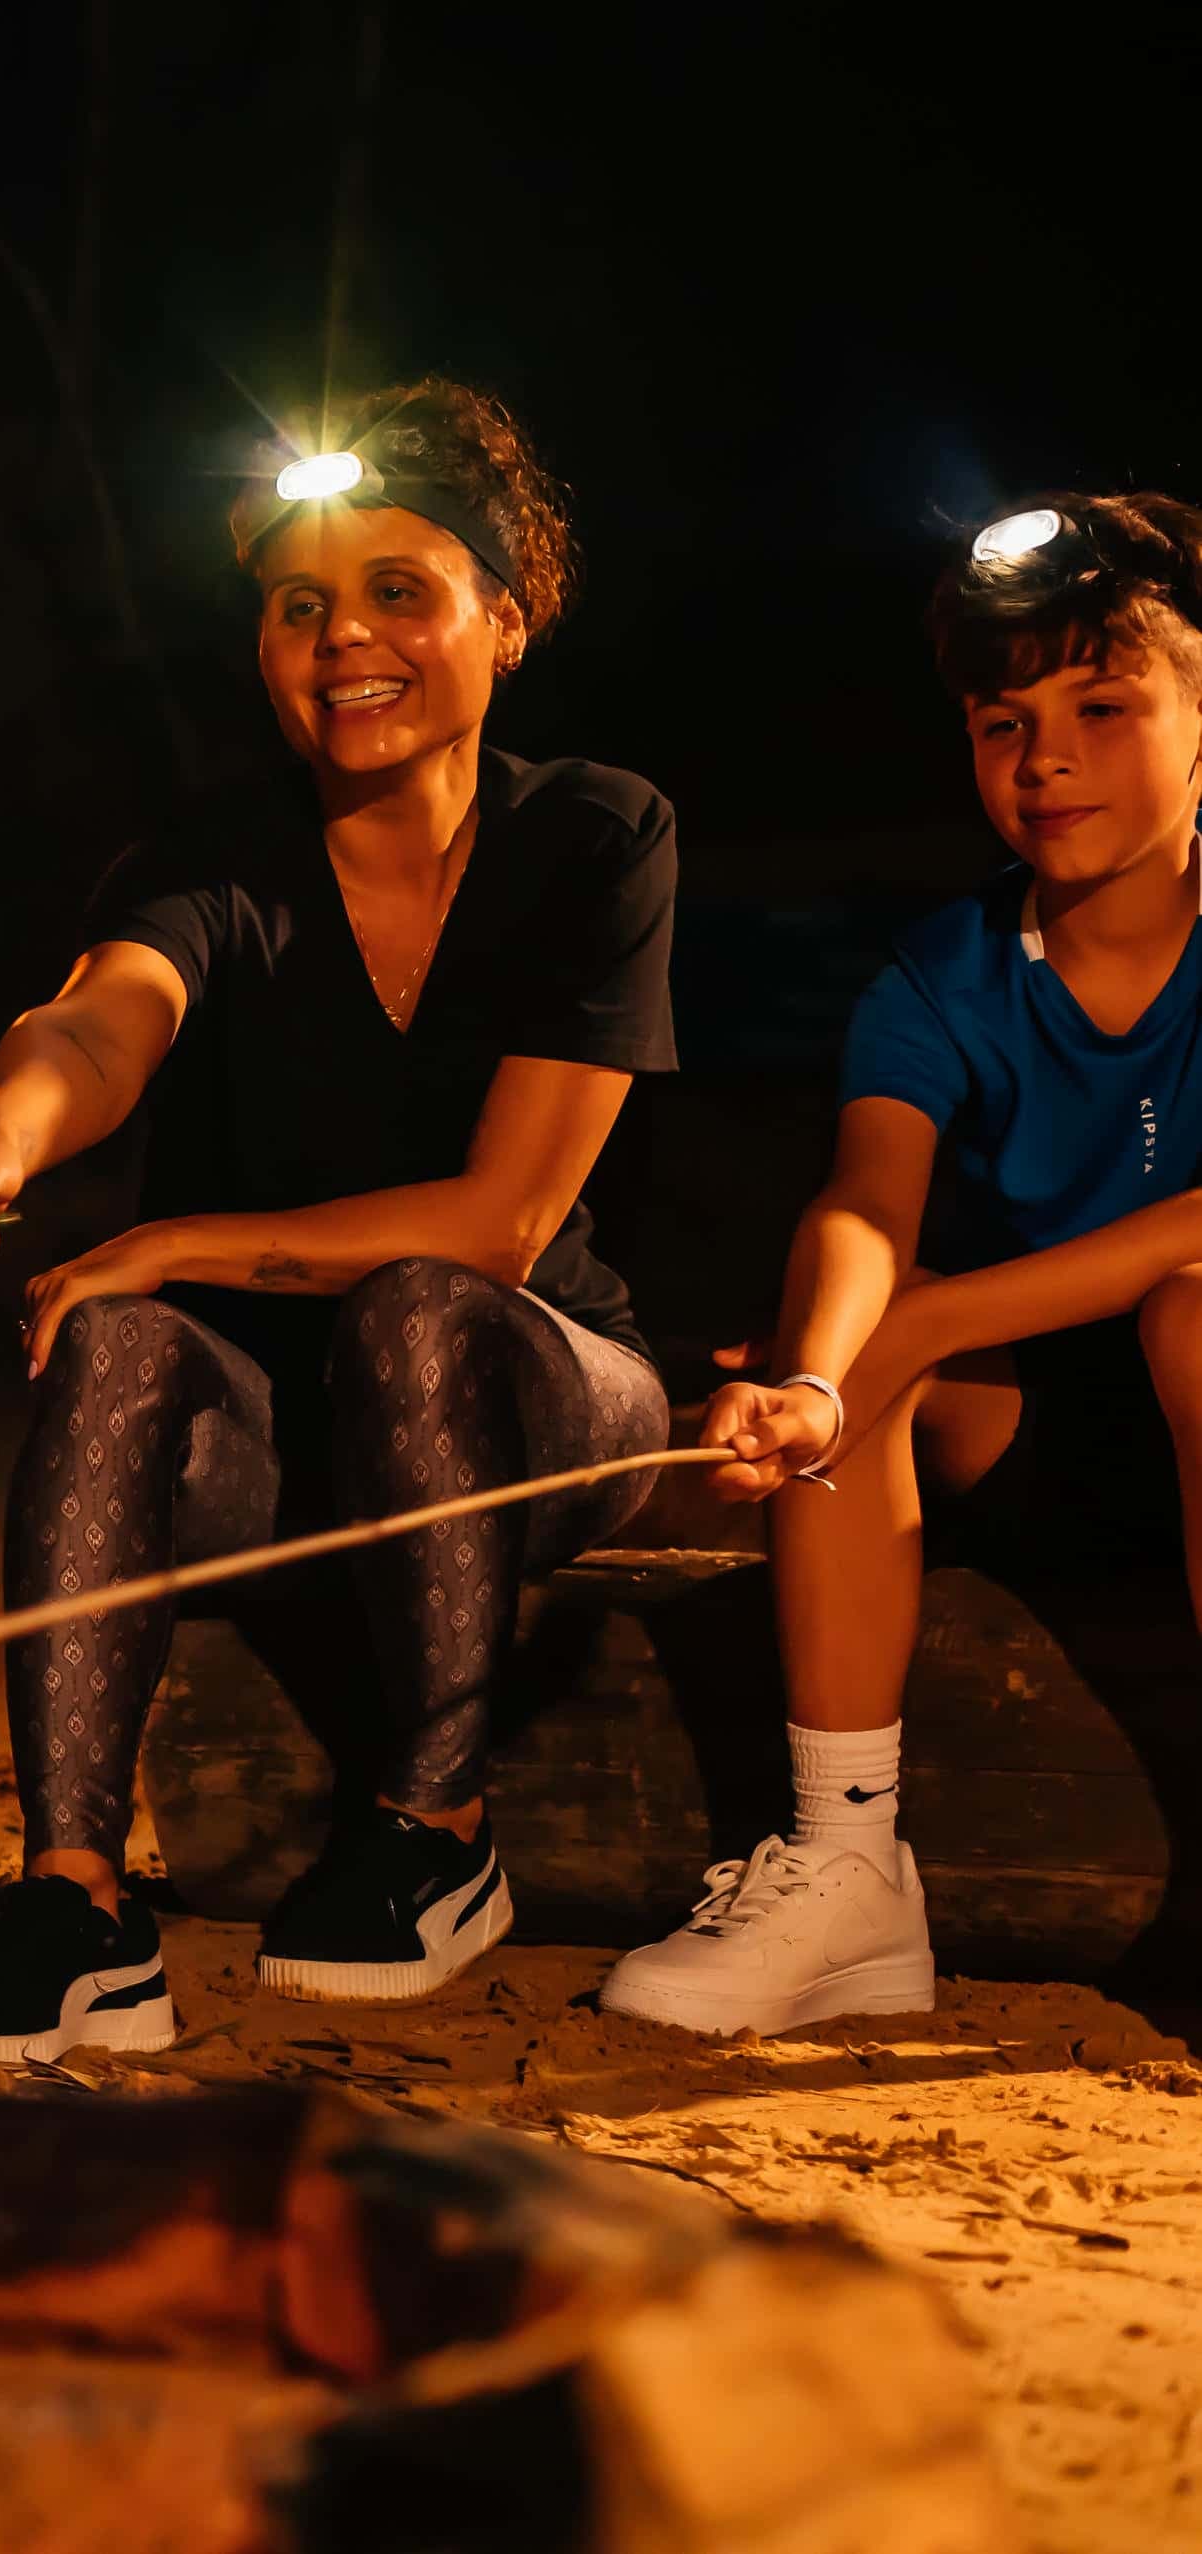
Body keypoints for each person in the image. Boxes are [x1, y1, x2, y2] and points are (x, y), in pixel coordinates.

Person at [0, 378, 680, 2063]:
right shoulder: (215, 852)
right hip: (284, 1444)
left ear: (504, 623)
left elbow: (504, 1221)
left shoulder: (594, 832)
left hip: (544, 1401)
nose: (345, 639)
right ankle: (78, 1903)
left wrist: (177, 1237)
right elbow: (104, 1016)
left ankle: (439, 1831)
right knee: (114, 1339)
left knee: (409, 1307)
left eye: (401, 591)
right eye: (299, 605)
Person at [604, 494, 1202, 2035]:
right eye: (1002, 721)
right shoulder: (941, 970)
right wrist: (820, 1369)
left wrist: (932, 1312)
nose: (1044, 756)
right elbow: (866, 1200)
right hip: (1046, 1434)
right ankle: (849, 1866)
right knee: (833, 1355)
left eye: (1102, 707)